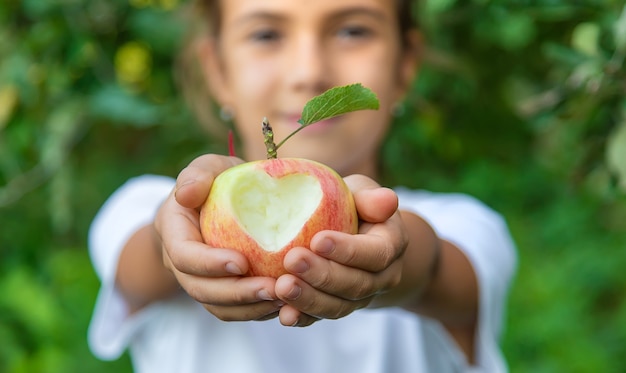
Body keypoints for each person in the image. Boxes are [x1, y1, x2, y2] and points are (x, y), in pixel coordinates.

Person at [87, 0, 517, 372]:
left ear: (405, 65)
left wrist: (393, 255)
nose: (309, 72)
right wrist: (173, 235)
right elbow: (141, 267)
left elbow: (433, 269)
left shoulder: (466, 225)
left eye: (353, 30)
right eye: (267, 34)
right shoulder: (148, 205)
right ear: (217, 71)